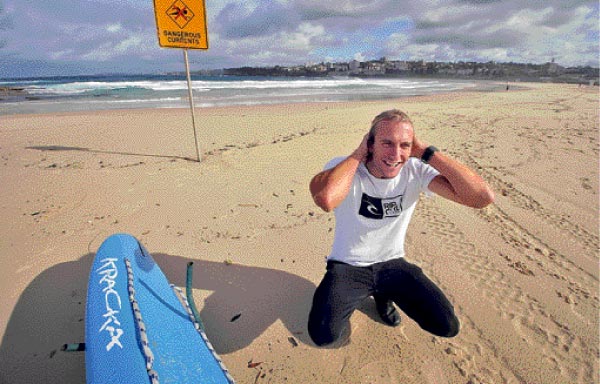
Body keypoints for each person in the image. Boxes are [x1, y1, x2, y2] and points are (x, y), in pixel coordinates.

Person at [307, 109, 494, 347]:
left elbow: (481, 197)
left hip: (392, 263)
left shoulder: (415, 170)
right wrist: (358, 153)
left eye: (404, 145)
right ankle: (363, 295)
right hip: (348, 266)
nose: (396, 154)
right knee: (323, 335)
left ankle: (382, 297)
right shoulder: (345, 168)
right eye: (387, 143)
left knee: (446, 325)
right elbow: (326, 198)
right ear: (370, 143)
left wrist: (427, 152)